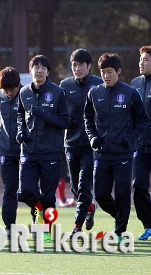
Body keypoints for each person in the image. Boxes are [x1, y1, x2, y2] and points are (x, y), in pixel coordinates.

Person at [85, 53, 148, 242]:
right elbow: (87, 119)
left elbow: (142, 120)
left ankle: (120, 231)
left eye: (110, 72)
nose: (106, 76)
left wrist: (130, 139)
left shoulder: (130, 93)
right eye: (103, 72)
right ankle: (121, 217)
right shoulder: (94, 93)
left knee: (122, 193)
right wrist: (92, 138)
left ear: (118, 71)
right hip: (102, 153)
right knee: (102, 194)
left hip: (124, 154)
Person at [16, 55, 70, 242]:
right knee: (24, 192)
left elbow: (65, 121)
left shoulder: (57, 92)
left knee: (48, 196)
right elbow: (20, 116)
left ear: (48, 71)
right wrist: (20, 132)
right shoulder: (23, 92)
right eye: (35, 67)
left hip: (51, 152)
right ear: (30, 70)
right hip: (29, 151)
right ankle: (38, 209)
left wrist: (43, 114)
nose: (38, 71)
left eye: (42, 68)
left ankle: (45, 229)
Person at [59, 48, 102, 237]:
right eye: (74, 65)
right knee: (76, 189)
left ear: (89, 66)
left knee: (85, 185)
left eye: (81, 65)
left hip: (91, 146)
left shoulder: (100, 84)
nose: (77, 69)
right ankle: (90, 207)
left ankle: (77, 227)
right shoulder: (64, 85)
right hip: (70, 143)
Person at [0, 67, 22, 237]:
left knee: (27, 190)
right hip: (6, 151)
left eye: (12, 89)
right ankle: (9, 226)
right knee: (9, 189)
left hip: (25, 151)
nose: (9, 93)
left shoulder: (26, 95)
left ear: (18, 85)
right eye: (6, 90)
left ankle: (37, 219)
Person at [130, 46, 151, 240]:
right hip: (141, 146)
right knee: (138, 185)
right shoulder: (134, 84)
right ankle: (148, 223)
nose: (141, 63)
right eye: (141, 60)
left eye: (145, 60)